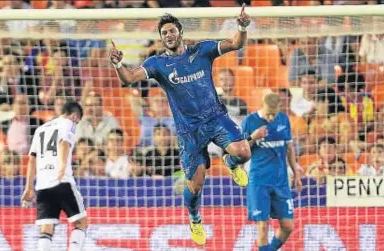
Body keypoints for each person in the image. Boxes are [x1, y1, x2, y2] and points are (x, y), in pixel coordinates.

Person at [109, 5, 252, 246]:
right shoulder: (157, 64)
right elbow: (129, 79)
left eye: (172, 30)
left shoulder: (203, 50)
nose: (168, 35)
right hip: (189, 132)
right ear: (161, 37)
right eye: (164, 32)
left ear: (180, 32)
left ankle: (229, 161)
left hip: (215, 118)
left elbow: (236, 43)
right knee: (195, 187)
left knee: (244, 153)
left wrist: (242, 26)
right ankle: (195, 219)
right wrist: (118, 64)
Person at [21, 101, 87, 251]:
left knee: (46, 228)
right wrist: (62, 166)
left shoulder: (40, 129)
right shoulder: (68, 123)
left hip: (42, 185)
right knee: (81, 222)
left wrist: (29, 188)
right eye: (78, 120)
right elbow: (64, 142)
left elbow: (32, 159)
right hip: (61, 180)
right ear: (74, 116)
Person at [241, 93, 303, 251]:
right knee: (263, 226)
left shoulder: (284, 120)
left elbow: (289, 149)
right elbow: (240, 150)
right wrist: (254, 137)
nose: (270, 118)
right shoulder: (250, 121)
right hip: (259, 181)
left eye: (273, 114)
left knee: (288, 226)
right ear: (262, 105)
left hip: (281, 181)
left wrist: (296, 174)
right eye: (268, 114)